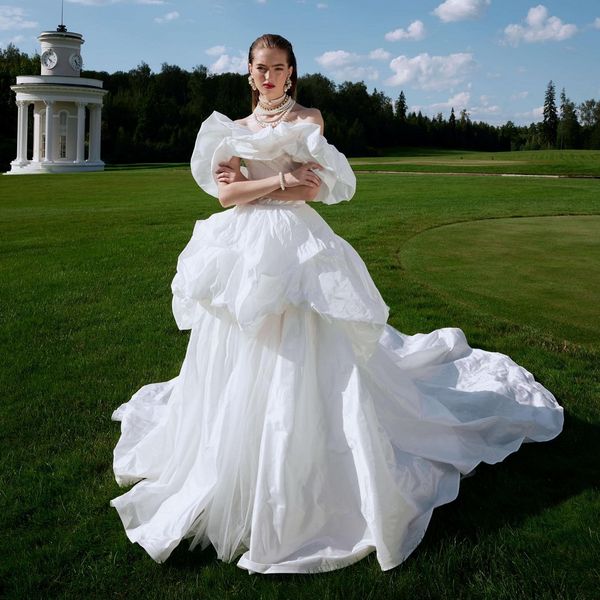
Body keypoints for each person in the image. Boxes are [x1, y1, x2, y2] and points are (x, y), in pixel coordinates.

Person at [109, 34, 563, 575]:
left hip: (298, 246)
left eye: (279, 68)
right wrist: (279, 177)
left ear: (291, 72)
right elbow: (225, 195)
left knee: (306, 341)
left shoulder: (310, 120)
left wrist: (261, 183)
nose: (270, 76)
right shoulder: (231, 130)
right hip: (241, 248)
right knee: (238, 339)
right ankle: (234, 455)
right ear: (249, 74)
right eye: (262, 68)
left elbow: (312, 189)